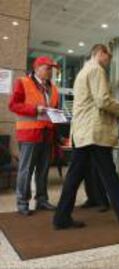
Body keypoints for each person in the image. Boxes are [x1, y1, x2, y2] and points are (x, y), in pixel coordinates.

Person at [53, 44, 119, 230]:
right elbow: (103, 100)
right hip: (93, 132)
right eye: (108, 57)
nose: (108, 62)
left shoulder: (83, 71)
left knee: (92, 174)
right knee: (102, 173)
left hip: (84, 132)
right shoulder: (96, 70)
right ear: (100, 53)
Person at [9, 56, 61, 216]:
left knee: (44, 170)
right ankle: (22, 202)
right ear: (37, 68)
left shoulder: (54, 88)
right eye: (47, 68)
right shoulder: (23, 82)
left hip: (47, 133)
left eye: (52, 68)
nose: (50, 71)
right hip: (29, 133)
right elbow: (13, 105)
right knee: (26, 170)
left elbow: (55, 110)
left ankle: (42, 200)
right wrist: (34, 110)